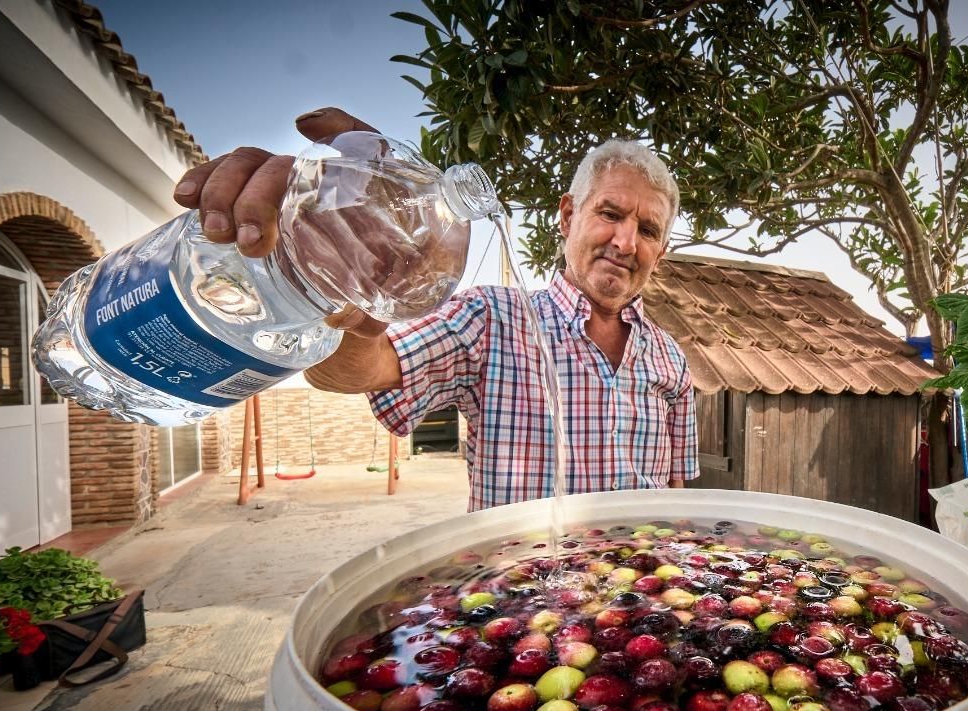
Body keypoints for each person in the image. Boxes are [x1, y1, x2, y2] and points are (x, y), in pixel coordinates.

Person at [172, 108, 698, 510]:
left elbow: (674, 494)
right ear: (567, 216)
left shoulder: (669, 360)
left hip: (635, 611)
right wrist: (331, 291)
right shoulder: (489, 321)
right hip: (513, 618)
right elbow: (363, 370)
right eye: (610, 213)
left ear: (661, 250)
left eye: (648, 230)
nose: (626, 242)